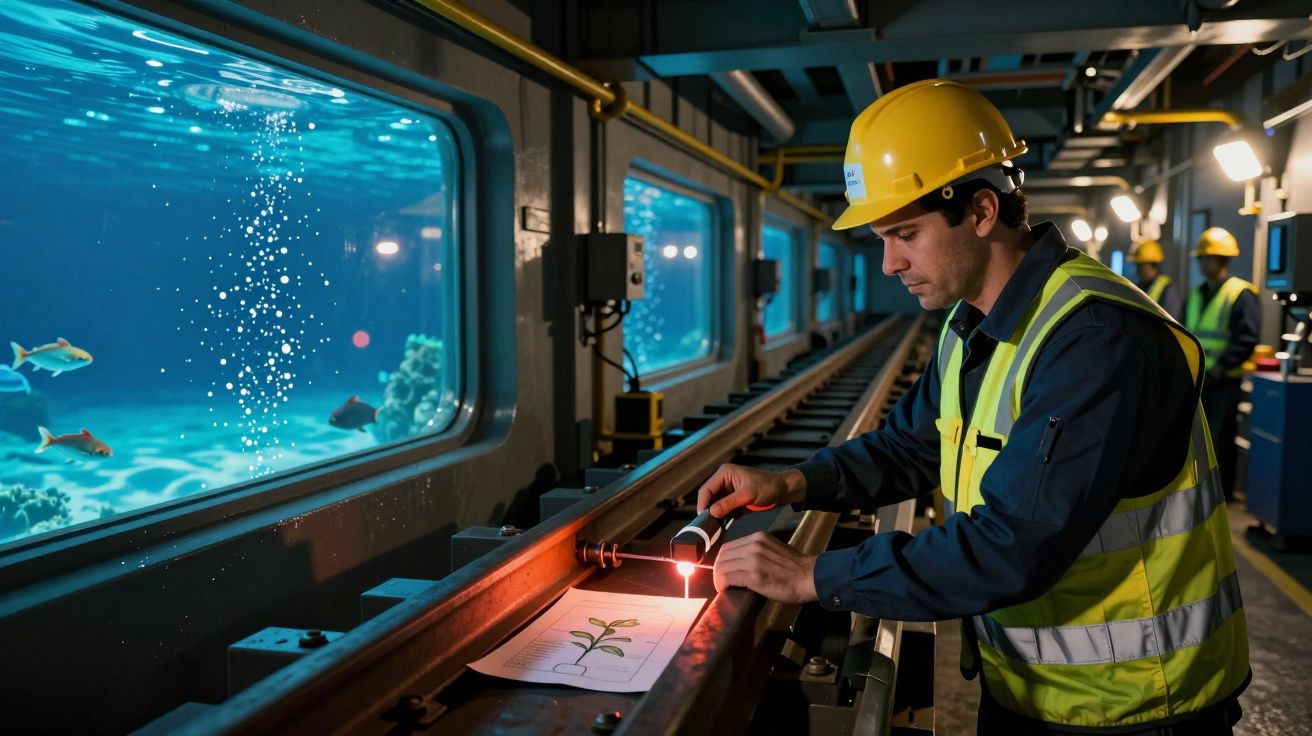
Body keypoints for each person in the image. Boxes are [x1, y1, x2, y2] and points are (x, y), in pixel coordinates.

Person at [698, 79, 1249, 734]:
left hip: (1136, 704)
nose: (888, 263)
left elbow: (1012, 545)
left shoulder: (1096, 341)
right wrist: (788, 482)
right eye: (881, 237)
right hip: (1028, 684)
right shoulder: (973, 323)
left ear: (982, 211)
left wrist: (813, 575)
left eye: (905, 233)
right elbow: (911, 446)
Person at [1184, 227, 1260, 500]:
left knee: (1219, 441)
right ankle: (1199, 493)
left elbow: (1247, 338)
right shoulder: (1196, 294)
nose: (1202, 263)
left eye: (1205, 257)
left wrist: (1221, 366)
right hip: (1199, 380)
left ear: (1220, 260)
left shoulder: (1240, 294)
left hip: (1224, 381)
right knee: (1197, 441)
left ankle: (1220, 495)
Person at [1127, 239, 1183, 320]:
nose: (1137, 269)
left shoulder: (1167, 289)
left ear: (1150, 264)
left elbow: (1172, 322)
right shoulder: (1139, 286)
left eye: (1140, 265)